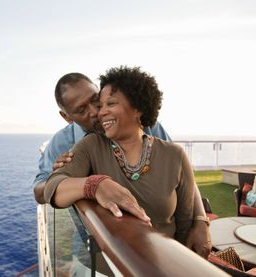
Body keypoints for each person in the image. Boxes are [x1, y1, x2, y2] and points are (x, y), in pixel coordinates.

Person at [44, 66, 205, 249]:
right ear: (66, 116)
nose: (99, 112)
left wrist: (201, 220)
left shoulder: (172, 152)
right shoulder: (87, 146)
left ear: (137, 107)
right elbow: (48, 187)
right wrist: (94, 185)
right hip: (108, 257)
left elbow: (184, 220)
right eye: (82, 109)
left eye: (108, 103)